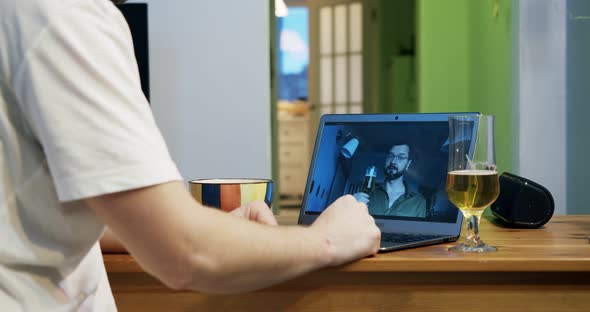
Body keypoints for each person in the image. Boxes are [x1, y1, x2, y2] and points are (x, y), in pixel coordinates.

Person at [0, 0, 380, 310]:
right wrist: (329, 239)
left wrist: (212, 227)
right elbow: (186, 255)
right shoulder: (62, 16)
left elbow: (27, 213)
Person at [354, 144, 427, 218]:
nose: (393, 161)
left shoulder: (418, 202)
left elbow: (418, 229)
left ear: (408, 164)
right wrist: (351, 206)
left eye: (401, 157)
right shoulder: (367, 195)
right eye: (391, 156)